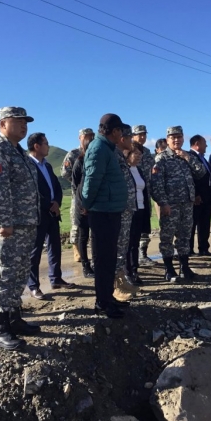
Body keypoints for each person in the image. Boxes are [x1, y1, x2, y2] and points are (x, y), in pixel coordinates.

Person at [0, 106, 41, 351]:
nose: (23, 126)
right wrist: (5, 221)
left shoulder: (20, 153)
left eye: (25, 122)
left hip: (24, 225)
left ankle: (15, 320)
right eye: (17, 122)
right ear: (3, 124)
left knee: (18, 273)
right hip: (7, 227)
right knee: (4, 274)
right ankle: (1, 329)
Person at [81, 113, 128, 318]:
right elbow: (91, 180)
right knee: (102, 259)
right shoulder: (99, 148)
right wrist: (86, 205)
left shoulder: (107, 148)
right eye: (121, 131)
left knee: (109, 258)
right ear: (115, 131)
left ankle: (108, 297)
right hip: (102, 212)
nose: (123, 135)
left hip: (110, 211)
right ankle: (102, 302)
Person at [151, 126, 206, 282]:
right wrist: (163, 203)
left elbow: (201, 172)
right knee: (167, 237)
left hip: (187, 204)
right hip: (170, 205)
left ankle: (185, 268)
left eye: (179, 137)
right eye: (173, 137)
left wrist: (187, 158)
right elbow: (156, 184)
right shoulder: (161, 159)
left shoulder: (186, 156)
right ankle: (169, 270)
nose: (176, 140)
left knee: (184, 236)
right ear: (167, 140)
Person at [26, 132, 76, 301]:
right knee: (35, 251)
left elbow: (56, 186)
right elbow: (32, 191)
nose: (48, 146)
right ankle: (33, 286)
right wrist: (49, 204)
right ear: (36, 146)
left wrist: (57, 202)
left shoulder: (47, 165)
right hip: (38, 214)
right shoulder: (28, 165)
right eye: (46, 143)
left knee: (55, 247)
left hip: (53, 213)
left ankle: (56, 279)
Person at [113, 125, 141, 301]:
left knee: (123, 247)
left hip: (127, 210)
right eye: (131, 138)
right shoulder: (114, 156)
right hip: (118, 210)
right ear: (122, 139)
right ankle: (115, 286)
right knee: (117, 248)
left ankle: (121, 280)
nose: (133, 141)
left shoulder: (121, 157)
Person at [61, 128, 95, 262]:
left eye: (91, 136)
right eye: (86, 136)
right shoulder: (74, 153)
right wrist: (80, 183)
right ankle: (76, 250)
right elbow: (65, 172)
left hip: (92, 196)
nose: (88, 138)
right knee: (77, 224)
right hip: (78, 194)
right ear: (79, 137)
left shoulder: (94, 151)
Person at [132, 125, 156, 265]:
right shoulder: (128, 151)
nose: (142, 137)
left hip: (146, 193)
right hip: (133, 194)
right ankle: (133, 257)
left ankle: (143, 254)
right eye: (139, 134)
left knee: (145, 224)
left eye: (144, 134)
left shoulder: (147, 152)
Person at [71, 138, 95, 278]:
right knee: (83, 235)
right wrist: (83, 204)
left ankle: (96, 263)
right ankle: (86, 266)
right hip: (82, 205)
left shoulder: (96, 162)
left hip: (96, 205)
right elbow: (75, 186)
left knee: (96, 236)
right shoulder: (79, 162)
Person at [126, 141, 149, 285]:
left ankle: (134, 271)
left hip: (140, 210)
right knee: (128, 243)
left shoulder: (138, 170)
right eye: (136, 153)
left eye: (141, 154)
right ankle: (127, 272)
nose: (139, 156)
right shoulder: (125, 170)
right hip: (129, 211)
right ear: (128, 154)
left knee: (135, 242)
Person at [189, 134, 211, 256]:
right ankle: (189, 249)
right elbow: (191, 178)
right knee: (192, 224)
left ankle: (203, 247)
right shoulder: (189, 157)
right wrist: (196, 194)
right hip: (196, 198)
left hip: (207, 197)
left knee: (205, 224)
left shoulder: (203, 158)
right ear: (197, 144)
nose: (206, 145)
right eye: (205, 143)